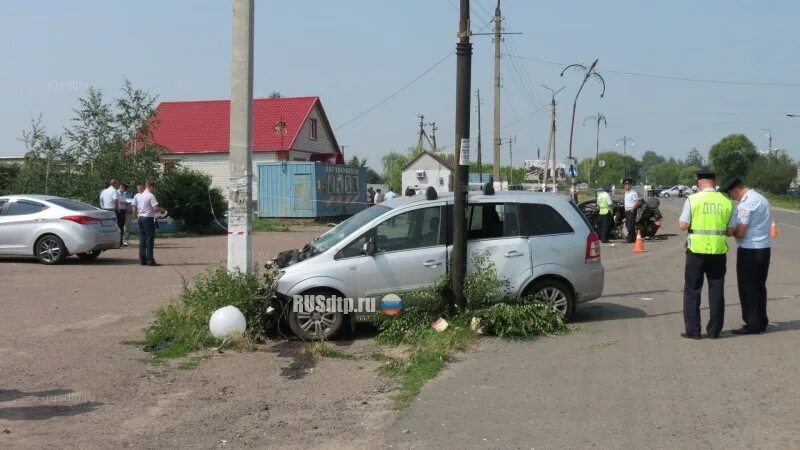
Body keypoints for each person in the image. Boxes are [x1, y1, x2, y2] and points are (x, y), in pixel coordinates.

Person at [678, 168, 736, 339]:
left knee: (692, 291)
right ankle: (714, 331)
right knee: (716, 290)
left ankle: (693, 331)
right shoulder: (726, 201)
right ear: (715, 182)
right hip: (718, 252)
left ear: (700, 182)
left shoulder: (693, 199)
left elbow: (682, 225)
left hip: (696, 251)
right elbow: (731, 231)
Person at [721, 177, 772, 335]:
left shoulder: (746, 204)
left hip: (750, 250)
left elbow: (741, 232)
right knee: (759, 287)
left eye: (731, 195)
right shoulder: (760, 198)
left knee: (748, 288)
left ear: (734, 189)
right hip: (764, 248)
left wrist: (730, 232)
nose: (732, 199)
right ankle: (761, 321)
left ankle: (752, 323)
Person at [135, 181, 162, 267]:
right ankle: (150, 260)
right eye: (154, 188)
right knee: (149, 239)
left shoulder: (140, 195)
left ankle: (143, 260)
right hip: (148, 218)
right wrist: (162, 210)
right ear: (150, 186)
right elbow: (155, 208)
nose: (154, 190)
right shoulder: (150, 196)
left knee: (142, 239)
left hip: (140, 218)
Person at [623, 178, 638, 243]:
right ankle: (632, 237)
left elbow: (636, 200)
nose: (627, 186)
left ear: (630, 185)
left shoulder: (633, 192)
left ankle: (631, 239)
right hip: (627, 210)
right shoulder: (626, 193)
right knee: (627, 224)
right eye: (626, 185)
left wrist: (633, 208)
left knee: (631, 225)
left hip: (631, 210)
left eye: (628, 185)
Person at [116, 182, 131, 247]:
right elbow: (118, 201)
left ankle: (121, 242)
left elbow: (124, 201)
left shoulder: (124, 194)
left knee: (122, 227)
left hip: (123, 210)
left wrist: (126, 202)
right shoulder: (116, 192)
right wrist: (125, 202)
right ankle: (118, 241)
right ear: (121, 187)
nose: (125, 189)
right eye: (124, 188)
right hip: (118, 210)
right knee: (118, 226)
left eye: (125, 188)